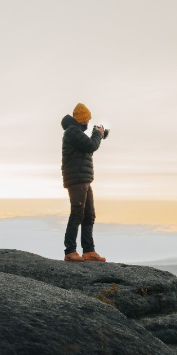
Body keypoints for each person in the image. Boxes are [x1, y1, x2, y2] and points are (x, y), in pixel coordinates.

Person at [61, 103, 106, 262]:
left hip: (83, 178)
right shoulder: (72, 131)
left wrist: (99, 134)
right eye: (87, 120)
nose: (88, 123)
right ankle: (70, 251)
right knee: (77, 214)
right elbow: (90, 146)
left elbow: (89, 144)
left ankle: (88, 251)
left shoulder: (76, 132)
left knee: (89, 214)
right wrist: (98, 134)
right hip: (77, 179)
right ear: (82, 119)